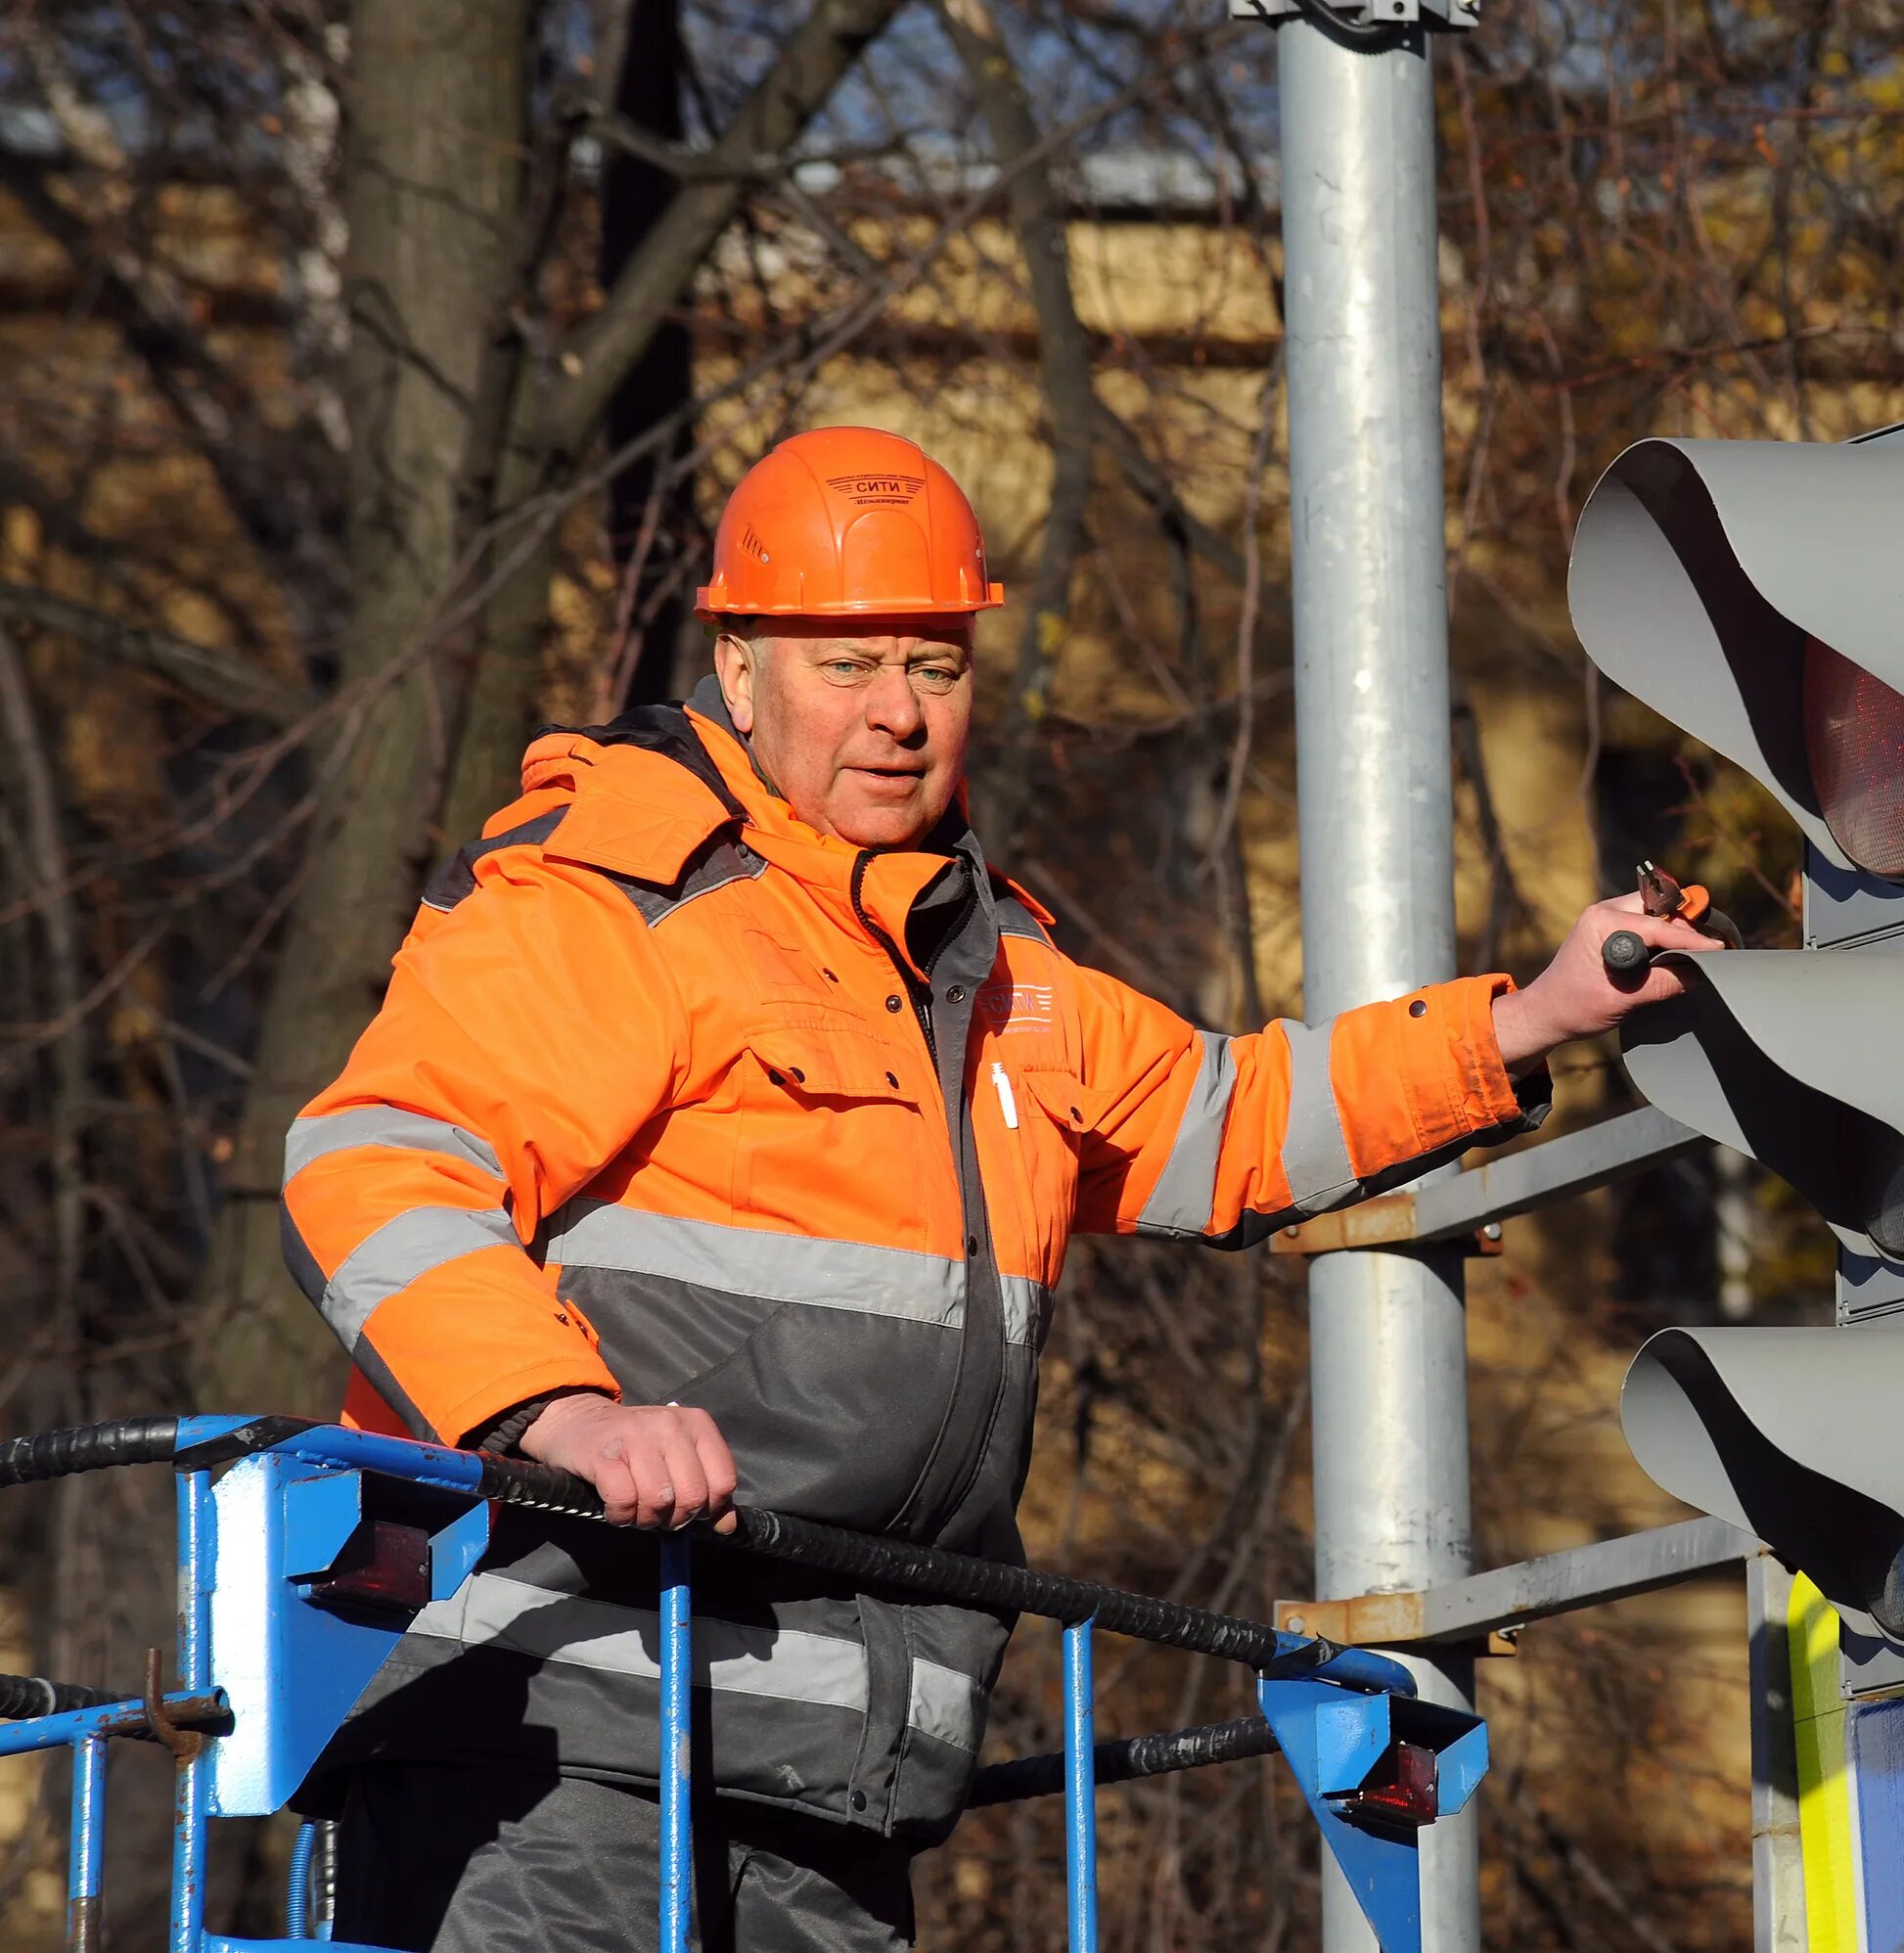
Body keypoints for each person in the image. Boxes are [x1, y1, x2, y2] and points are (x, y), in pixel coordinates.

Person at [278, 425, 1721, 1952]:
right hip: (556, 1737)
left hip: (835, 1771)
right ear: (743, 667)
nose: (900, 714)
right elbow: (375, 1155)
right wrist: (558, 1414)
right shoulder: (619, 902)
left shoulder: (993, 969)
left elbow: (1230, 1118)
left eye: (938, 665)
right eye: (849, 665)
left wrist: (1532, 1019)